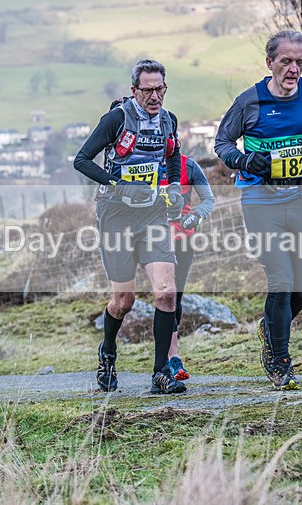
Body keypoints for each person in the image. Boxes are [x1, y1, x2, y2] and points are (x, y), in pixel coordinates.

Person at [215, 30, 302, 390]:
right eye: (286, 61)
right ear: (270, 62)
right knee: (281, 281)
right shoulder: (249, 101)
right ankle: (280, 362)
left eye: (299, 62)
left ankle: (269, 327)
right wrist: (244, 160)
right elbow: (222, 142)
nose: (293, 68)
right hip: (261, 200)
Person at [74, 59, 187, 395]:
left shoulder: (168, 120)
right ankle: (108, 351)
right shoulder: (116, 119)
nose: (154, 96)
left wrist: (174, 187)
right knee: (124, 300)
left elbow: (172, 156)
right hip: (116, 216)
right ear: (134, 90)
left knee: (166, 293)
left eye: (159, 89)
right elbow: (81, 160)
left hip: (152, 214)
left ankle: (160, 373)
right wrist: (119, 185)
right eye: (147, 90)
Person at [158, 154, 216, 380]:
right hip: (152, 239)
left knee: (175, 296)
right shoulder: (142, 163)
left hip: (183, 239)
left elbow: (208, 199)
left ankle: (171, 358)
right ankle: (169, 358)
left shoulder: (189, 165)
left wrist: (196, 216)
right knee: (164, 294)